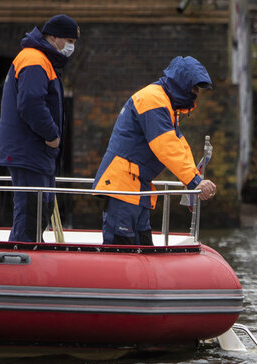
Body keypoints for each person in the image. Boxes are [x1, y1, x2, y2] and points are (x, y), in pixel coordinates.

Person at [92, 56, 217, 245]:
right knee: (121, 245)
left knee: (142, 245)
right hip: (124, 187)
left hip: (136, 188)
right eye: (194, 89)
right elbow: (165, 145)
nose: (196, 95)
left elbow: (179, 145)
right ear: (182, 84)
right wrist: (193, 181)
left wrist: (193, 183)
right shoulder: (154, 100)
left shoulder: (165, 104)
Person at [0, 14, 80, 242]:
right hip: (29, 150)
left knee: (39, 210)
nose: (71, 46)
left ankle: (28, 252)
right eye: (69, 40)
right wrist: (52, 135)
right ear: (53, 38)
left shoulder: (40, 60)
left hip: (34, 152)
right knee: (31, 212)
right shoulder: (35, 60)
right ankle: (21, 258)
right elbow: (31, 103)